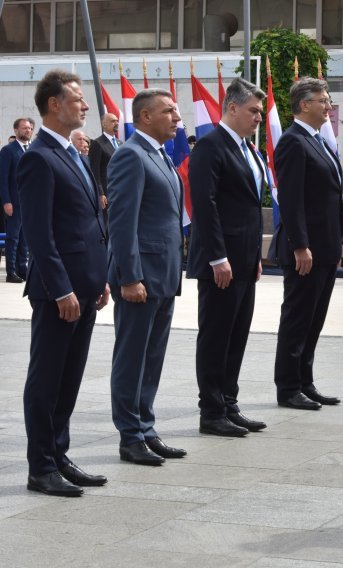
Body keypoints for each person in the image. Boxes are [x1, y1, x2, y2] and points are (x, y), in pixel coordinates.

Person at [18, 70, 110, 496]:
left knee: (70, 378)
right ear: (54, 104)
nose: (85, 105)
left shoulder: (75, 154)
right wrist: (61, 289)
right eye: (77, 99)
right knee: (47, 378)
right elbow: (39, 233)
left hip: (85, 288)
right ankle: (41, 467)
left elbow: (89, 224)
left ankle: (59, 454)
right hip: (59, 293)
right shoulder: (38, 157)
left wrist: (99, 279)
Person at [106, 89, 185, 466]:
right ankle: (130, 436)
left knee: (152, 358)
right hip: (140, 278)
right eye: (169, 111)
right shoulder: (130, 156)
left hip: (164, 276)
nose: (177, 117)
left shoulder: (161, 157)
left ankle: (146, 427)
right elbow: (122, 224)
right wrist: (129, 276)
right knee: (132, 358)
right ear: (145, 117)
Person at [187, 77, 267, 437]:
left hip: (244, 260)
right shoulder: (210, 146)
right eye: (253, 110)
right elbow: (206, 206)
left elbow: (248, 207)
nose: (258, 118)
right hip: (221, 262)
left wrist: (254, 256)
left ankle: (229, 403)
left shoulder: (247, 149)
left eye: (261, 112)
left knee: (237, 334)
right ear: (232, 108)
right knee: (217, 335)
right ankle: (212, 411)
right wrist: (218, 257)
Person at [271, 77, 343, 411]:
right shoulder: (293, 142)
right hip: (306, 251)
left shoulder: (318, 141)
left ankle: (305, 380)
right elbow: (290, 198)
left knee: (315, 319)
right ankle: (288, 387)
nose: (328, 106)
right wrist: (300, 245)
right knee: (298, 317)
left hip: (325, 248)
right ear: (304, 105)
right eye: (323, 100)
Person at [0, 117, 34, 282]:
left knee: (25, 239)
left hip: (30, 203)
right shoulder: (8, 151)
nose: (27, 131)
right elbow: (3, 178)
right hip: (14, 202)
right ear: (16, 130)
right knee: (13, 237)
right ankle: (11, 272)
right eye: (24, 128)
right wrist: (6, 201)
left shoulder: (32, 149)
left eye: (29, 128)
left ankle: (23, 269)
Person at [89, 112, 120, 212]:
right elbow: (94, 170)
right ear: (104, 124)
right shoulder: (98, 143)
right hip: (108, 193)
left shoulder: (121, 143)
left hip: (122, 190)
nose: (116, 123)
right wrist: (100, 193)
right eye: (113, 121)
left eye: (117, 121)